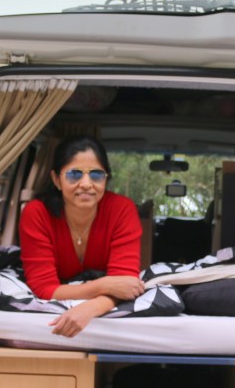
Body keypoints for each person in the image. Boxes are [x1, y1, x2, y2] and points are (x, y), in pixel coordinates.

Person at [19, 136, 145, 336]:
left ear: (106, 179)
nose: (86, 184)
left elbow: (125, 285)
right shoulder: (37, 213)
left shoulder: (122, 209)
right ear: (56, 180)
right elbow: (43, 288)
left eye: (96, 175)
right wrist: (104, 285)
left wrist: (90, 308)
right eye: (74, 175)